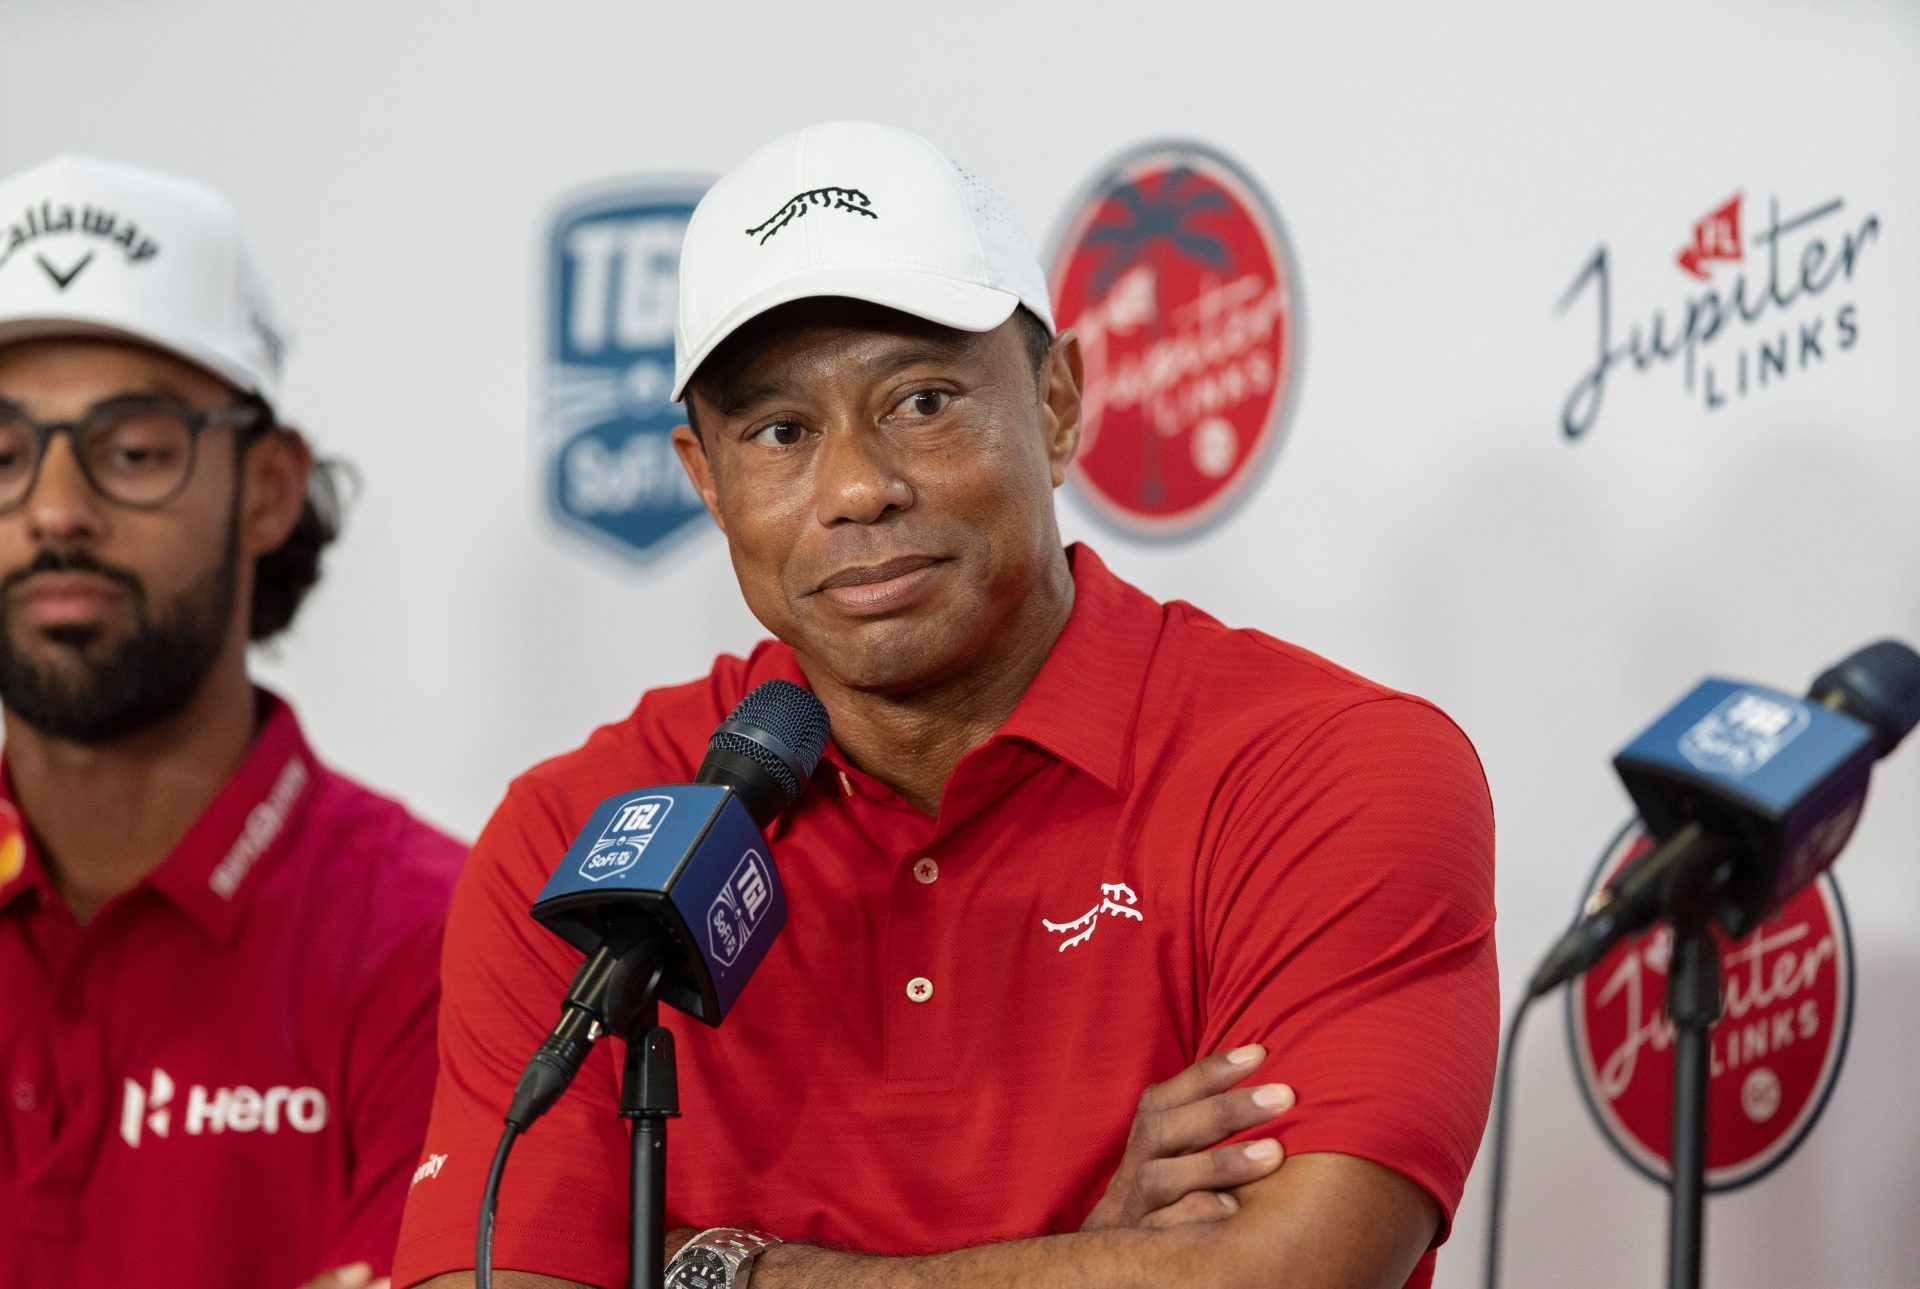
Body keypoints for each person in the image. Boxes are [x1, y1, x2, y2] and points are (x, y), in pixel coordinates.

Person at [394, 122, 1497, 1289]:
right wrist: (1092, 1256)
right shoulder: (584, 831)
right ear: (704, 478)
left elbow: (1283, 1272)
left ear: (1058, 404)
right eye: (781, 433)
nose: (861, 486)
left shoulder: (1324, 767)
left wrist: (720, 1270)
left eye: (921, 400)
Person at [0, 155, 465, 1289]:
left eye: (134, 449)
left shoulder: (443, 937)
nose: (57, 510)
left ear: (266, 488)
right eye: (3, 452)